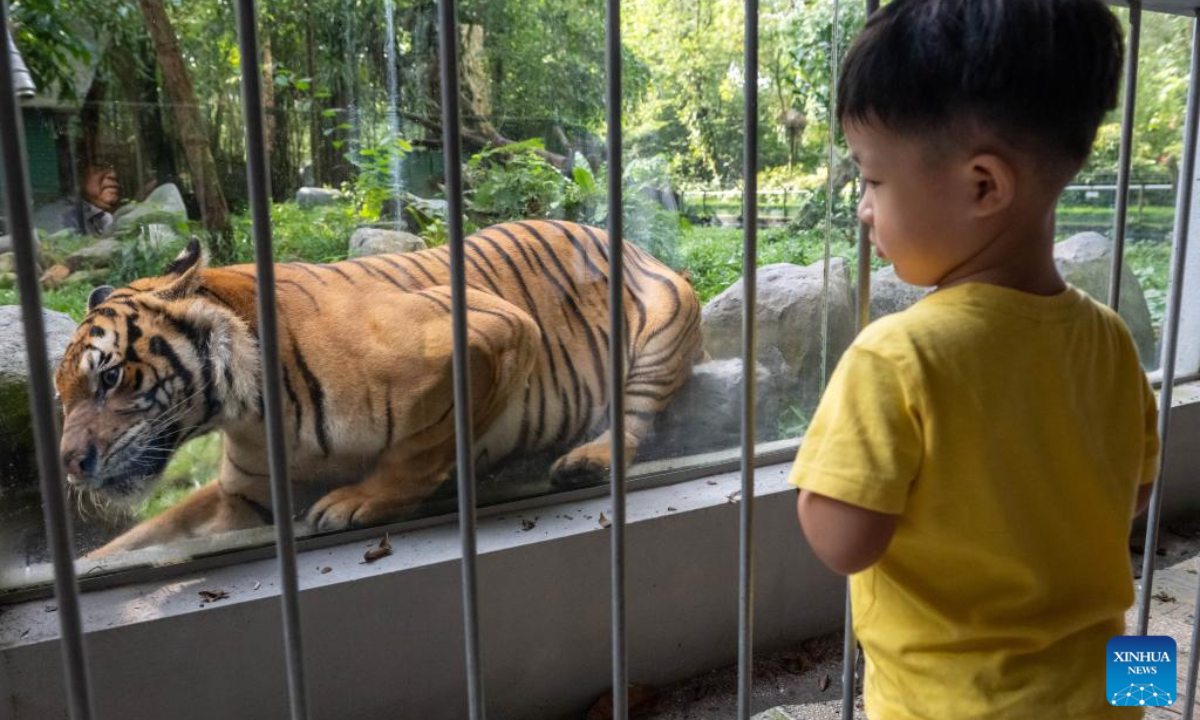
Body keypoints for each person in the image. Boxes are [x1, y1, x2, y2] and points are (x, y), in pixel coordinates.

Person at [789, 1, 1159, 718]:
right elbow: (1132, 495)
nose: (864, 209)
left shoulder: (897, 355)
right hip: (1109, 693)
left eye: (873, 180)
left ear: (982, 185)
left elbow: (843, 542)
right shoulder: (1111, 338)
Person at [62, 162, 121, 236]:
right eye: (100, 168)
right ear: (80, 178)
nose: (113, 175)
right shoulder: (66, 217)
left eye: (121, 168)